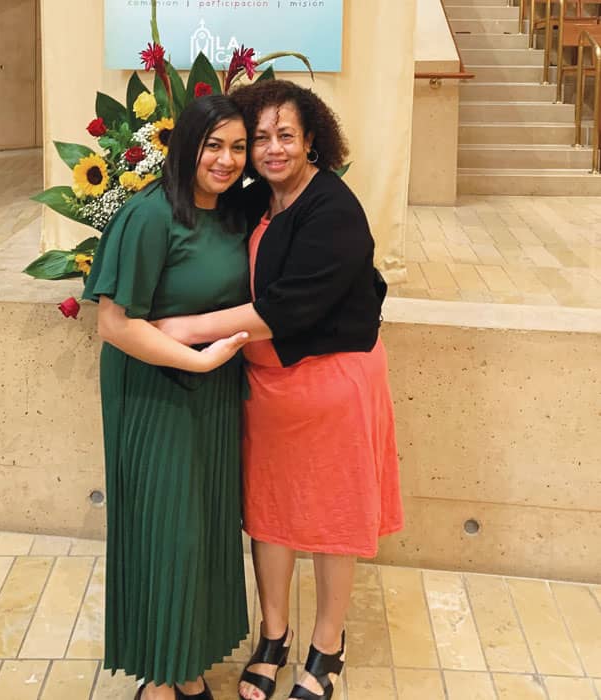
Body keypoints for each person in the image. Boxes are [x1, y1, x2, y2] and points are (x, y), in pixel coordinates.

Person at [154, 80, 404, 700]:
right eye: (258, 137)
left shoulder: (334, 209)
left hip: (335, 386)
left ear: (311, 138)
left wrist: (184, 327)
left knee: (331, 519)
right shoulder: (252, 201)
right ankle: (274, 636)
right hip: (269, 388)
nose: (271, 149)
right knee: (270, 517)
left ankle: (327, 646)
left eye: (284, 136)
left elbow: (282, 309)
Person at [82, 94, 252, 700]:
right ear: (186, 145)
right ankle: (162, 678)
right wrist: (197, 358)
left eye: (238, 147)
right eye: (213, 145)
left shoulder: (233, 214)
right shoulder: (149, 216)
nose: (227, 160)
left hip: (212, 394)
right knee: (168, 533)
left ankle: (189, 664)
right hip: (156, 393)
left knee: (203, 528)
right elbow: (115, 325)